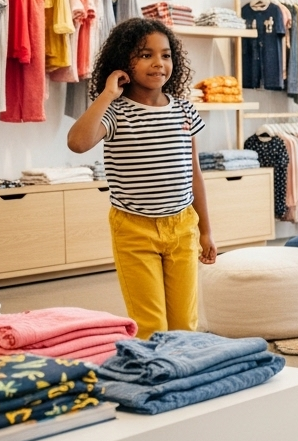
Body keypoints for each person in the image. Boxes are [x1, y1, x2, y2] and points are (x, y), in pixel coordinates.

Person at [67, 19, 216, 340]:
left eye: (165, 55)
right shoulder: (116, 112)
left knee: (185, 325)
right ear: (124, 62)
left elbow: (194, 174)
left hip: (182, 227)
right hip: (134, 230)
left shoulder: (185, 111)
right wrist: (107, 94)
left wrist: (206, 230)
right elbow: (77, 143)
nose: (158, 64)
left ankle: (183, 380)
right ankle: (156, 381)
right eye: (145, 55)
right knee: (151, 326)